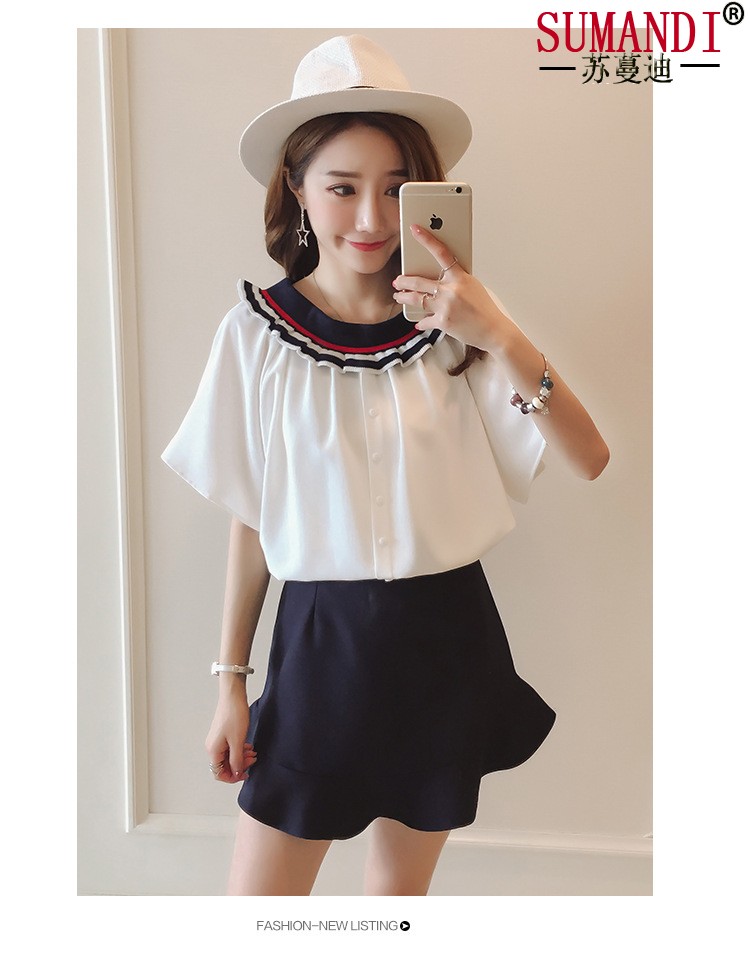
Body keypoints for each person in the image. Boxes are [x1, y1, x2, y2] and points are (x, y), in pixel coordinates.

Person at [162, 34, 609, 897]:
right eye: (342, 187)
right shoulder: (255, 336)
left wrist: (499, 334)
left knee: (394, 912)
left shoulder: (462, 329)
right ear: (297, 189)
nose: (371, 218)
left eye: (397, 189)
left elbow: (589, 458)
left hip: (446, 643)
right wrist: (230, 684)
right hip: (319, 649)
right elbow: (253, 518)